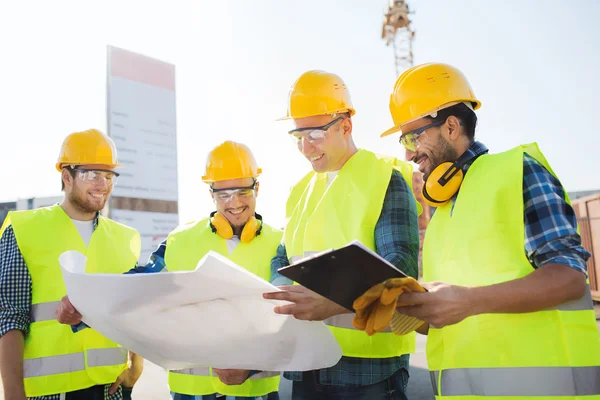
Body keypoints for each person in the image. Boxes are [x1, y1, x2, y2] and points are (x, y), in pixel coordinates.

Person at [379, 62, 600, 398]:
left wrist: (468, 302)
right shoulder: (440, 212)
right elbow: (453, 316)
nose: (408, 153)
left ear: (451, 126)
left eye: (413, 136)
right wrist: (403, 310)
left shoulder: (516, 170)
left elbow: (569, 276)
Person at [58, 141, 282, 400]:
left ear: (257, 188)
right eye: (223, 194)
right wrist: (84, 305)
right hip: (190, 393)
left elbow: (288, 321)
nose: (234, 203)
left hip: (255, 393)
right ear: (211, 194)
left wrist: (252, 367)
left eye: (242, 192)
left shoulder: (278, 244)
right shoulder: (181, 239)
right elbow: (139, 287)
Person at [263, 70, 421, 400]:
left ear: (345, 126)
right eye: (298, 136)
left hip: (369, 370)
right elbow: (283, 256)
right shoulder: (299, 191)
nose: (305, 147)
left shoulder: (384, 177)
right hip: (307, 362)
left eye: (315, 135)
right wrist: (282, 294)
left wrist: (333, 302)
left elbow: (401, 269)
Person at [0, 129, 143, 400]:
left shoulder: (127, 239)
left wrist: (135, 367)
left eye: (109, 175)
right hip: (48, 393)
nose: (103, 184)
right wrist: (13, 395)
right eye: (92, 175)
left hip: (109, 391)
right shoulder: (23, 229)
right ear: (67, 176)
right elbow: (8, 317)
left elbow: (134, 312)